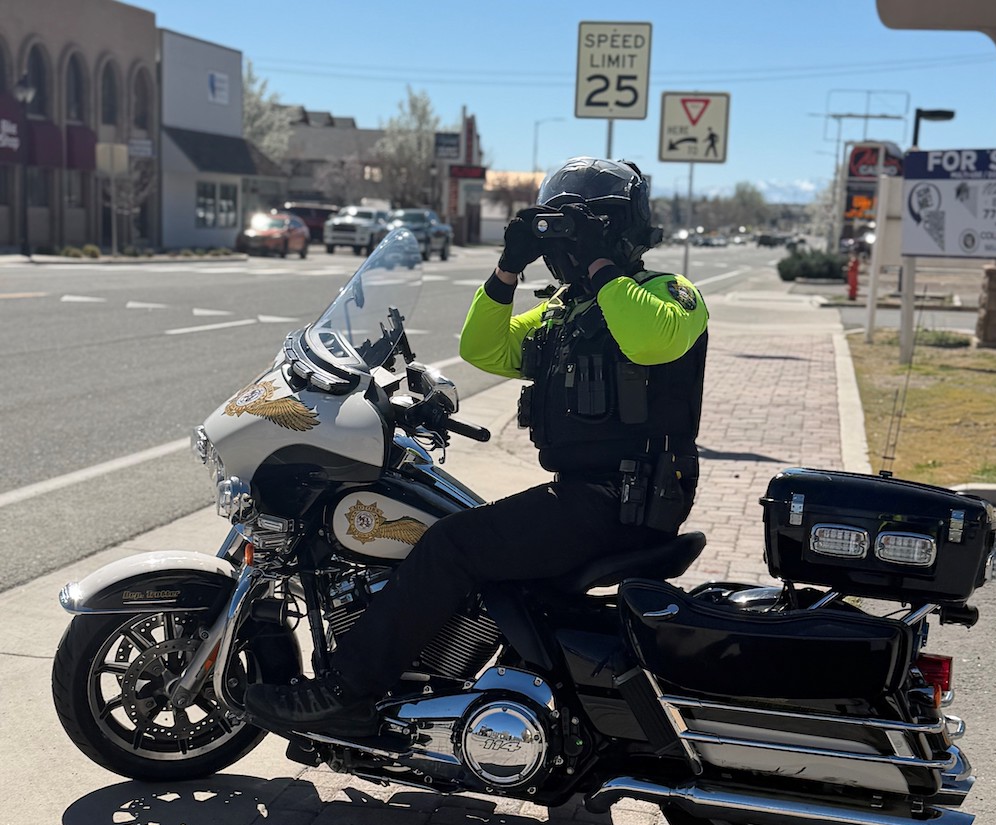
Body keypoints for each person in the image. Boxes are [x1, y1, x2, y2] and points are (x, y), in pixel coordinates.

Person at [244, 156, 710, 736]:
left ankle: (344, 693)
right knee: (461, 522)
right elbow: (483, 350)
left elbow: (647, 340)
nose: (564, 236)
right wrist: (507, 269)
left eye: (581, 223)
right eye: (556, 223)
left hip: (625, 500)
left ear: (620, 228)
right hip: (588, 498)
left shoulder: (670, 293)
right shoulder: (567, 313)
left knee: (452, 545)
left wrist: (599, 262)